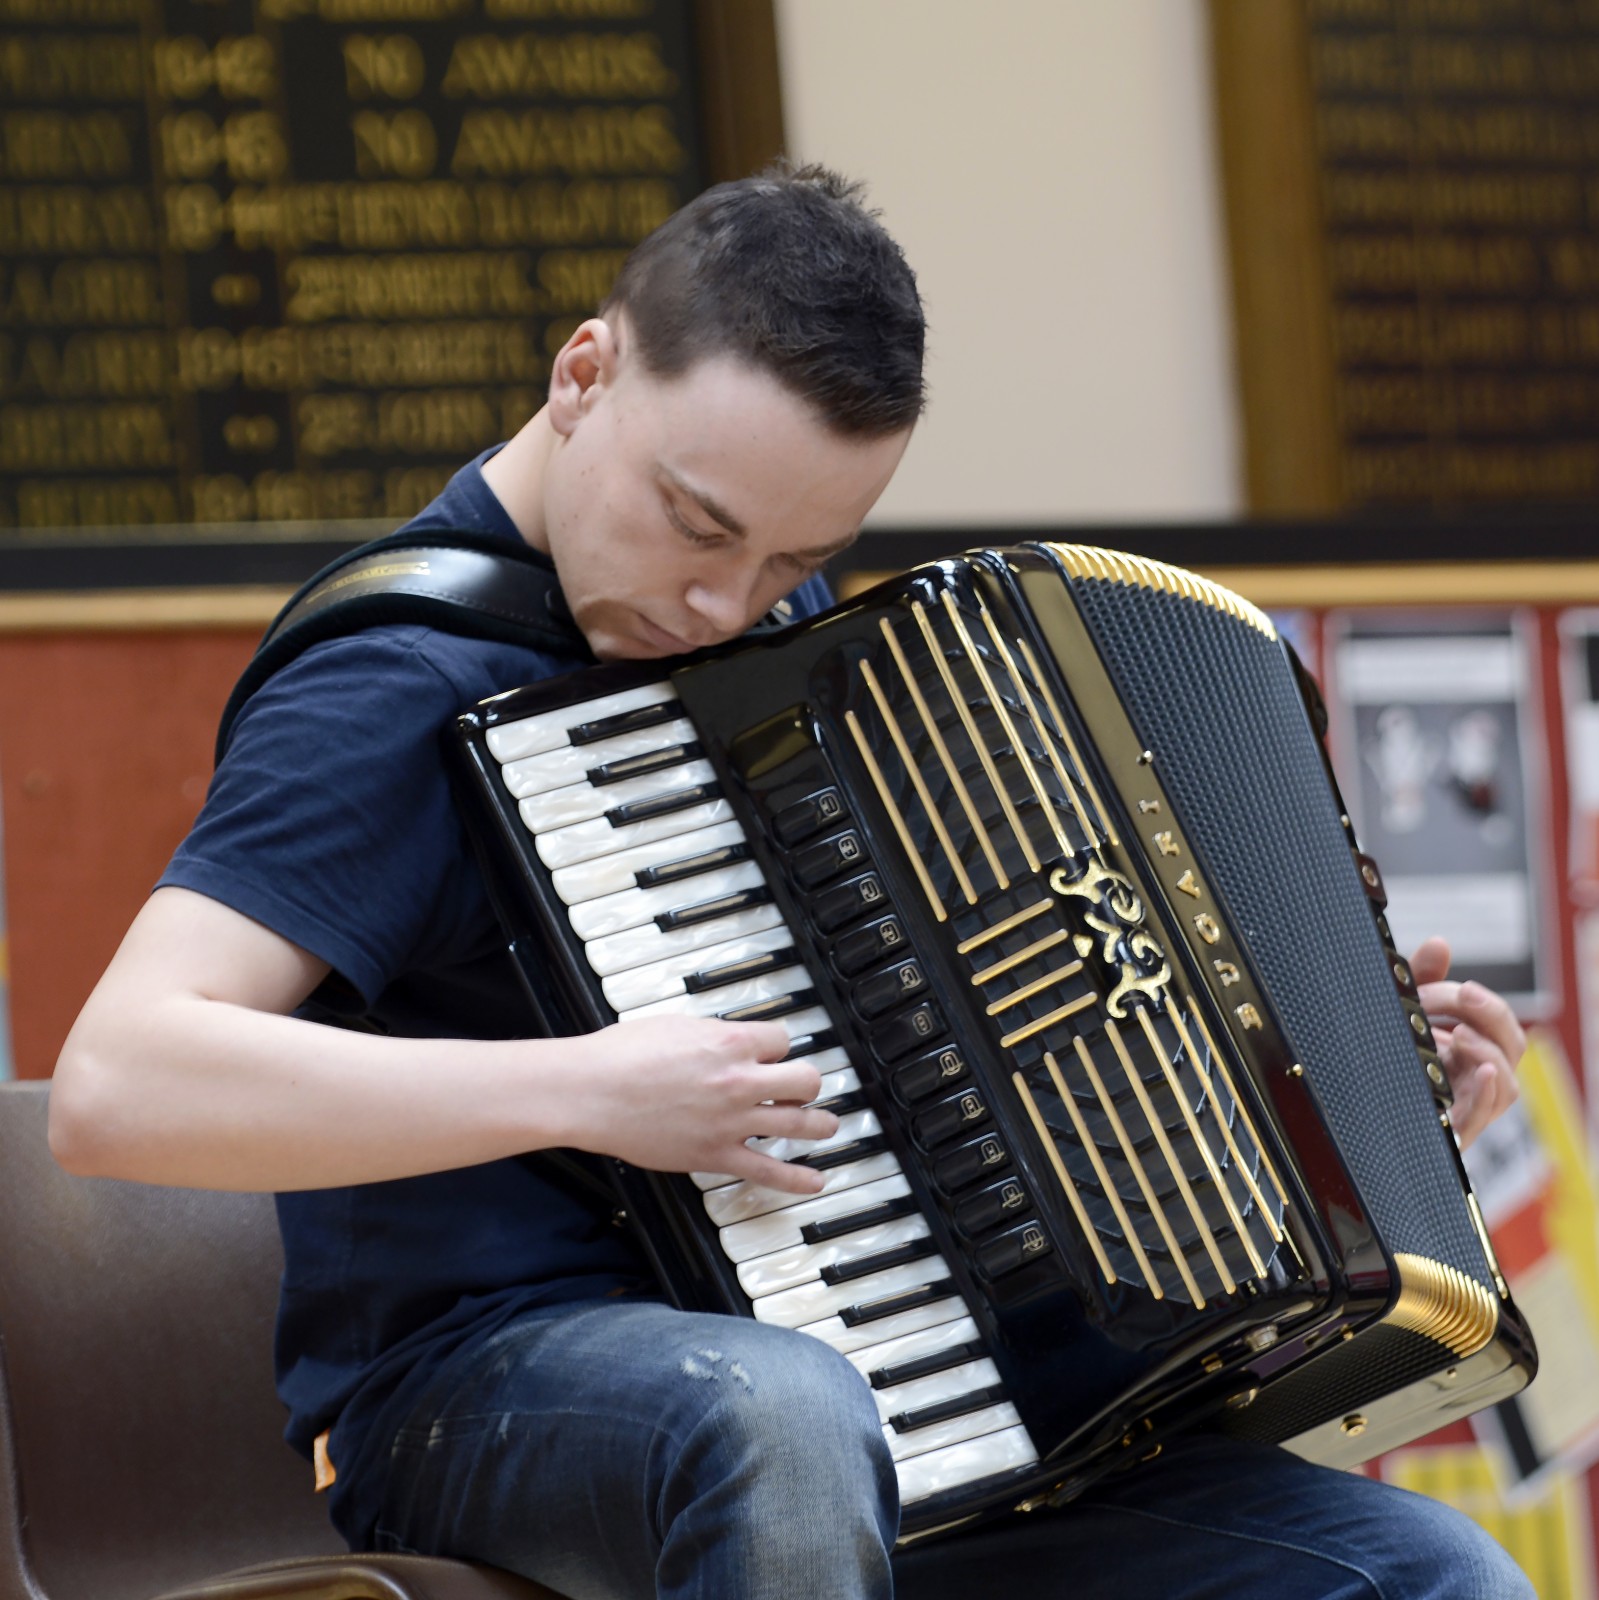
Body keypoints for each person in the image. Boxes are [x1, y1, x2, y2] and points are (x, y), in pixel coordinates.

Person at [51, 164, 1533, 1600]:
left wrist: (1342, 1089)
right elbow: (122, 1087)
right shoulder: (388, 692)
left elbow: (979, 1028)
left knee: (1422, 1571)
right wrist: (584, 1088)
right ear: (583, 375)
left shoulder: (785, 659)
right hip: (484, 1394)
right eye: (696, 524)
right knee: (784, 1417)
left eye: (790, 561)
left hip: (895, 1376)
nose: (720, 604)